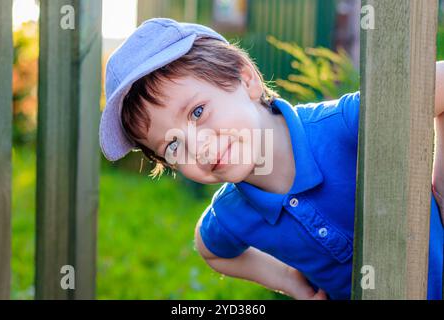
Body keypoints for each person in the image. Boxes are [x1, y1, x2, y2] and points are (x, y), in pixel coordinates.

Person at [99, 18, 444, 300]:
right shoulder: (233, 213)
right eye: (172, 146)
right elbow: (210, 249)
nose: (198, 147)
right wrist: (291, 282)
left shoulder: (344, 124)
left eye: (198, 111)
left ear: (245, 78)